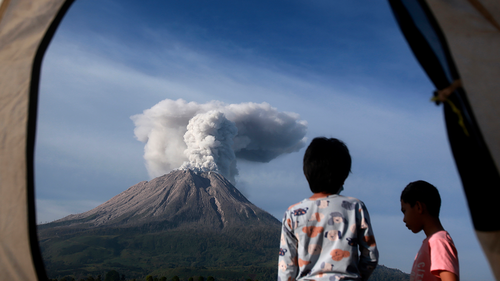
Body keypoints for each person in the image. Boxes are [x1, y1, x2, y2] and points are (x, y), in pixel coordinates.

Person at [278, 137, 379, 281]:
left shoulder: (293, 213)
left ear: (306, 174)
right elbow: (371, 256)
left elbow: (286, 267)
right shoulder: (355, 207)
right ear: (344, 176)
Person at [400, 180, 459, 281]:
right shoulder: (430, 243)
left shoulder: (438, 242)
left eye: (404, 211)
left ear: (418, 207)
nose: (404, 219)